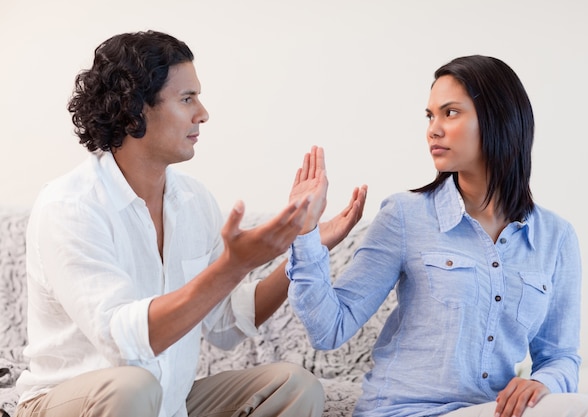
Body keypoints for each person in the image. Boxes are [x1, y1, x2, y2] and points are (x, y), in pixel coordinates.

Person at [15, 30, 366, 417]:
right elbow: (124, 343)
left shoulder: (194, 201)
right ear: (134, 109)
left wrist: (306, 249)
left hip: (167, 404)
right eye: (187, 99)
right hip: (72, 404)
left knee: (292, 386)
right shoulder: (71, 206)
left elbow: (227, 322)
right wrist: (233, 266)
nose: (203, 113)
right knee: (132, 387)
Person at [286, 55, 588, 417]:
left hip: (489, 410)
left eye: (450, 113)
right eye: (430, 115)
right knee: (587, 412)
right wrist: (306, 234)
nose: (433, 129)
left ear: (498, 119)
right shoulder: (405, 215)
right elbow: (329, 330)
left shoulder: (556, 238)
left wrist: (544, 384)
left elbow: (560, 356)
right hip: (405, 411)